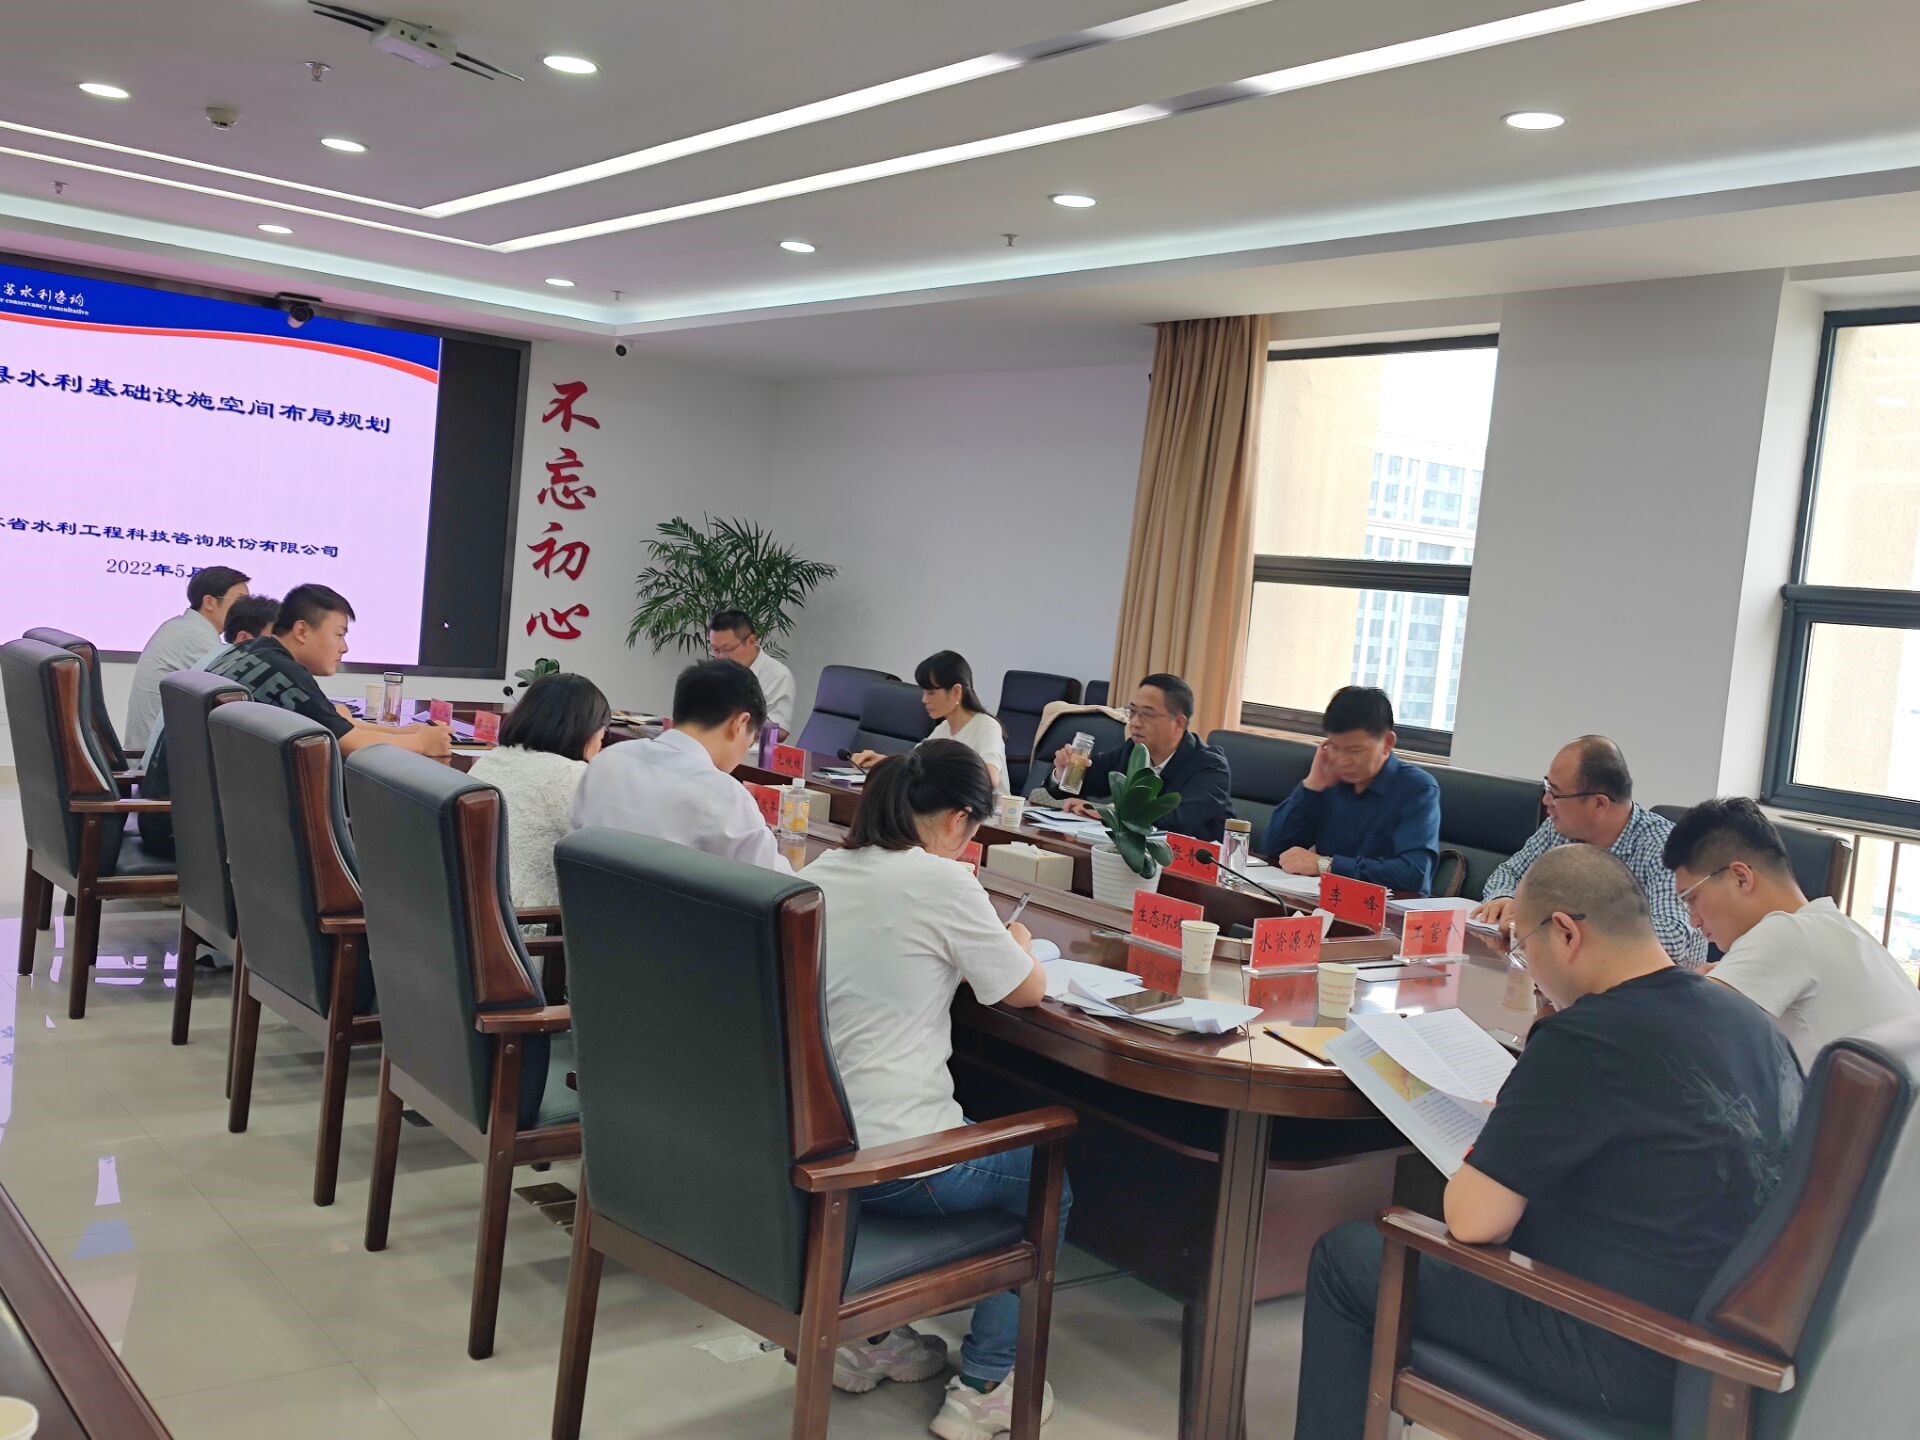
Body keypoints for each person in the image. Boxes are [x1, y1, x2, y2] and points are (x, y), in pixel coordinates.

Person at [1296, 845, 1802, 1440]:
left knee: (1349, 1258)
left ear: (1565, 933)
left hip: (1619, 1346)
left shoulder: (1587, 1035)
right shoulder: (1753, 1024)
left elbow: (1475, 1221)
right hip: (1728, 1366)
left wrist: (1500, 1135)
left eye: (1522, 945)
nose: (1527, 966)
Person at [805, 741, 1066, 1439]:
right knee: (1048, 1176)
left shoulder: (820, 870)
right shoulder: (944, 882)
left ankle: (869, 1341)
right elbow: (1025, 988)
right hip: (902, 1165)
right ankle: (987, 1384)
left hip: (817, 1149)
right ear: (958, 821)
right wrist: (1016, 938)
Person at [1665, 797, 1920, 1069]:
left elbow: (1670, 1029)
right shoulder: (1839, 927)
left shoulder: (1783, 932)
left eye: (1691, 899)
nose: (1693, 921)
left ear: (1741, 877)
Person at [1474, 735, 1707, 968]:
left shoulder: (1662, 846)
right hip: (1573, 972)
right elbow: (1510, 873)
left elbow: (1673, 936)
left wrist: (1566, 927)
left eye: (1555, 793)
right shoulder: (1560, 829)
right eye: (1546, 787)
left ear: (1599, 803)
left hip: (1651, 982)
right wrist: (1504, 898)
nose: (1546, 800)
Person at [571, 658, 792, 873]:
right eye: (751, 740)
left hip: (589, 897)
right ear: (740, 723)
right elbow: (778, 885)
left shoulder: (607, 761)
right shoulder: (725, 795)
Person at [203, 584, 452, 760]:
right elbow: (352, 744)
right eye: (339, 635)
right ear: (302, 631)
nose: (344, 647)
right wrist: (421, 743)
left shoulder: (252, 651)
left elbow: (341, 725)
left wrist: (405, 733)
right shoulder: (286, 672)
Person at [1262, 687, 1440, 893]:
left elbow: (1414, 874)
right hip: (1322, 900)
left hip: (1389, 908)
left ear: (1387, 743)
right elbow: (1274, 850)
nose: (1343, 761)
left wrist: (1327, 865)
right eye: (1335, 747)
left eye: (1354, 750)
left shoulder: (1417, 789)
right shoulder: (1329, 780)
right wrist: (1311, 786)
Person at [468, 673, 611, 912]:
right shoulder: (570, 774)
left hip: (481, 914)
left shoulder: (492, 758)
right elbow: (610, 857)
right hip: (533, 923)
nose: (602, 741)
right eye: (603, 730)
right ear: (587, 729)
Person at [1042, 673, 1233, 841]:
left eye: (1147, 715)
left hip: (1198, 865)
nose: (1134, 723)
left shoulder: (1210, 766)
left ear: (1179, 723)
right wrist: (1064, 772)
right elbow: (1085, 782)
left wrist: (1110, 813)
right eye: (1132, 712)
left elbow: (1179, 820)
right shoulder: (1132, 750)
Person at [123, 564, 251, 749]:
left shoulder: (184, 627)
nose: (247, 610)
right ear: (209, 602)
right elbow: (240, 693)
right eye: (240, 601)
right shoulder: (194, 636)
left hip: (159, 750)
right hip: (157, 756)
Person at [851, 650, 1010, 795]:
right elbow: (912, 762)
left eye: (931, 693)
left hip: (989, 814)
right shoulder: (944, 729)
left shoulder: (986, 726)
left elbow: (990, 779)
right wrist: (883, 762)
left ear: (956, 692)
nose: (924, 700)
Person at [708, 609, 794, 739]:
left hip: (753, 749)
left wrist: (732, 721)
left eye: (727, 649)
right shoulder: (716, 671)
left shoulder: (778, 675)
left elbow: (780, 732)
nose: (720, 657)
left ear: (751, 641)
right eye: (715, 650)